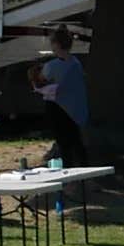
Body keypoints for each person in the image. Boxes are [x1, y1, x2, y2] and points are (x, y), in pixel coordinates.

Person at [32, 23, 94, 168]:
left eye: (53, 44)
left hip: (57, 108)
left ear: (57, 45)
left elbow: (40, 82)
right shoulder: (76, 64)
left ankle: (69, 173)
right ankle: (84, 173)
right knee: (77, 141)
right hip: (75, 109)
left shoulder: (51, 66)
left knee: (64, 144)